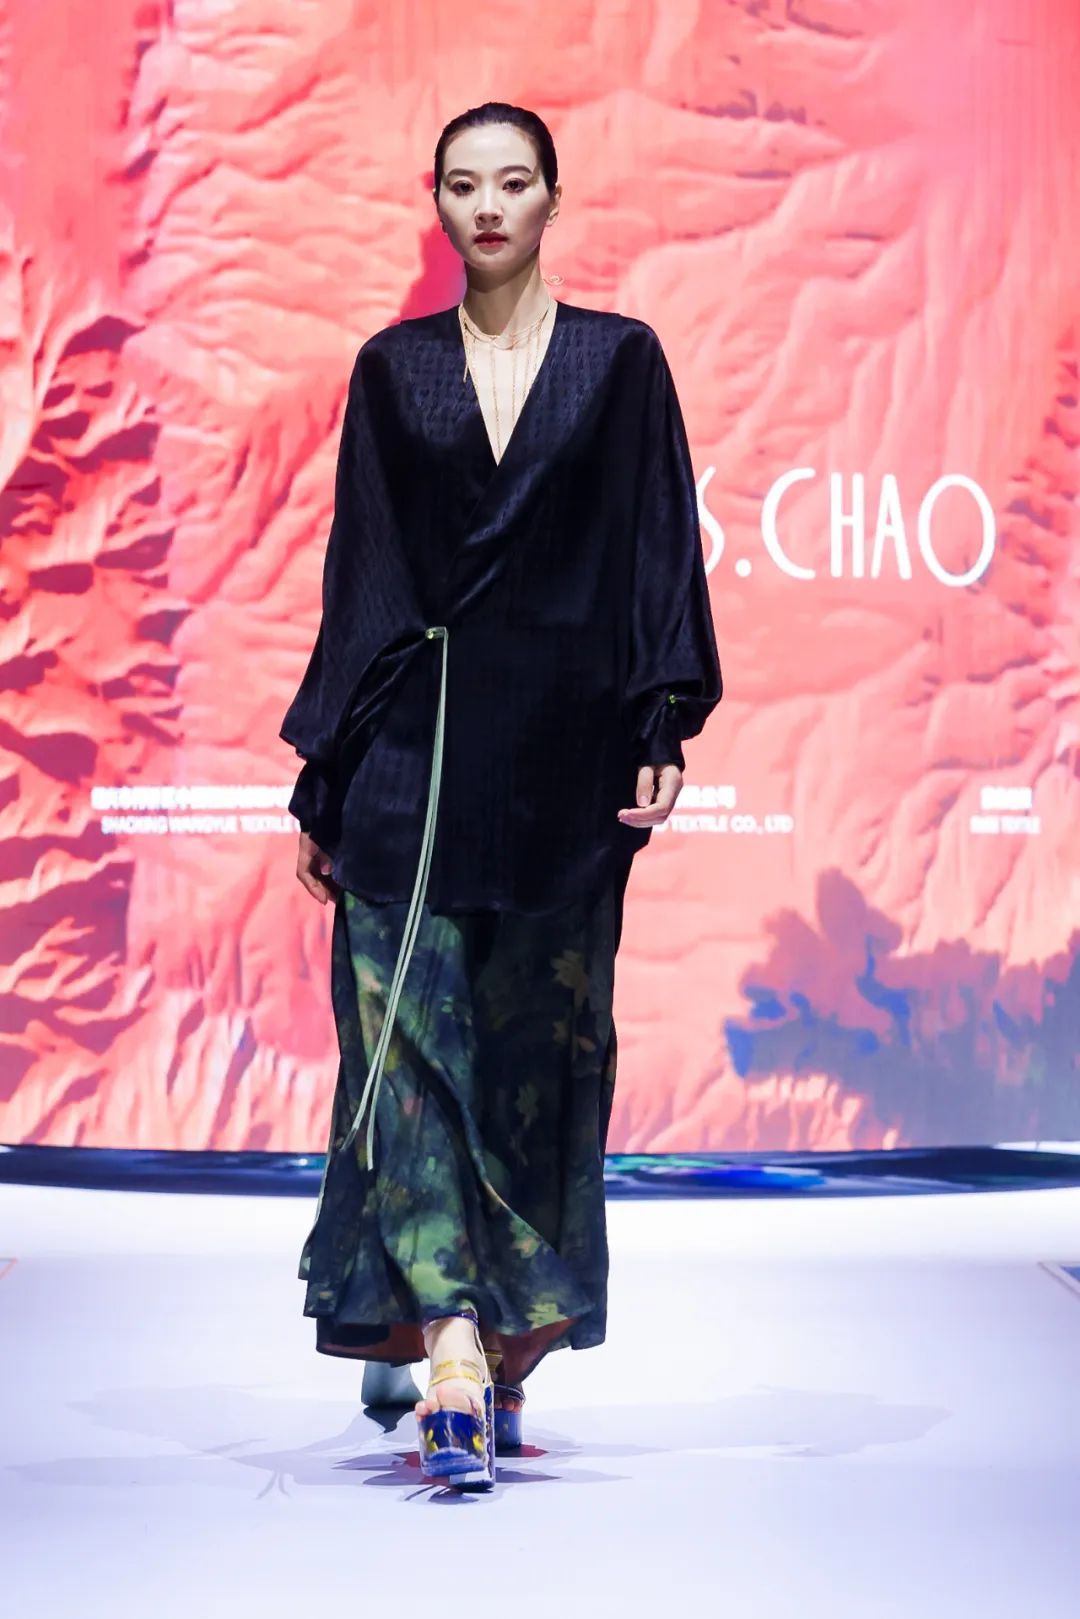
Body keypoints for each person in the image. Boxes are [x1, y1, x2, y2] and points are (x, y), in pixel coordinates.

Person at [280, 101, 722, 1487]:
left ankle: (506, 1346)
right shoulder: (394, 368)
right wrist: (328, 772)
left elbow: (658, 546)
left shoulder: (617, 362)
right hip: (412, 754)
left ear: (552, 198)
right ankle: (454, 1346)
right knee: (409, 1051)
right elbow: (362, 573)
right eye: (464, 184)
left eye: (513, 181)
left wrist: (661, 714)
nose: (488, 206)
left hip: (560, 762)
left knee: (539, 1062)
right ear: (436, 202)